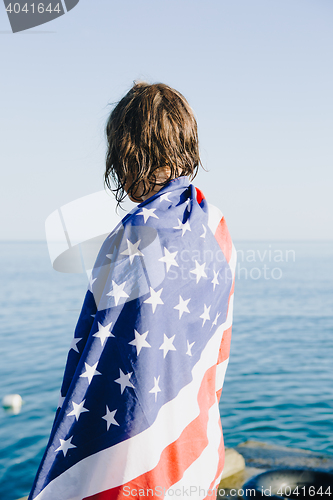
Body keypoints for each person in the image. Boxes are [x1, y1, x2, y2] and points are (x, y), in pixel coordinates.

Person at [28, 82, 236, 500]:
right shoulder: (214, 226)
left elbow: (99, 366)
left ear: (126, 151)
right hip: (196, 452)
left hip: (139, 474)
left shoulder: (133, 238)